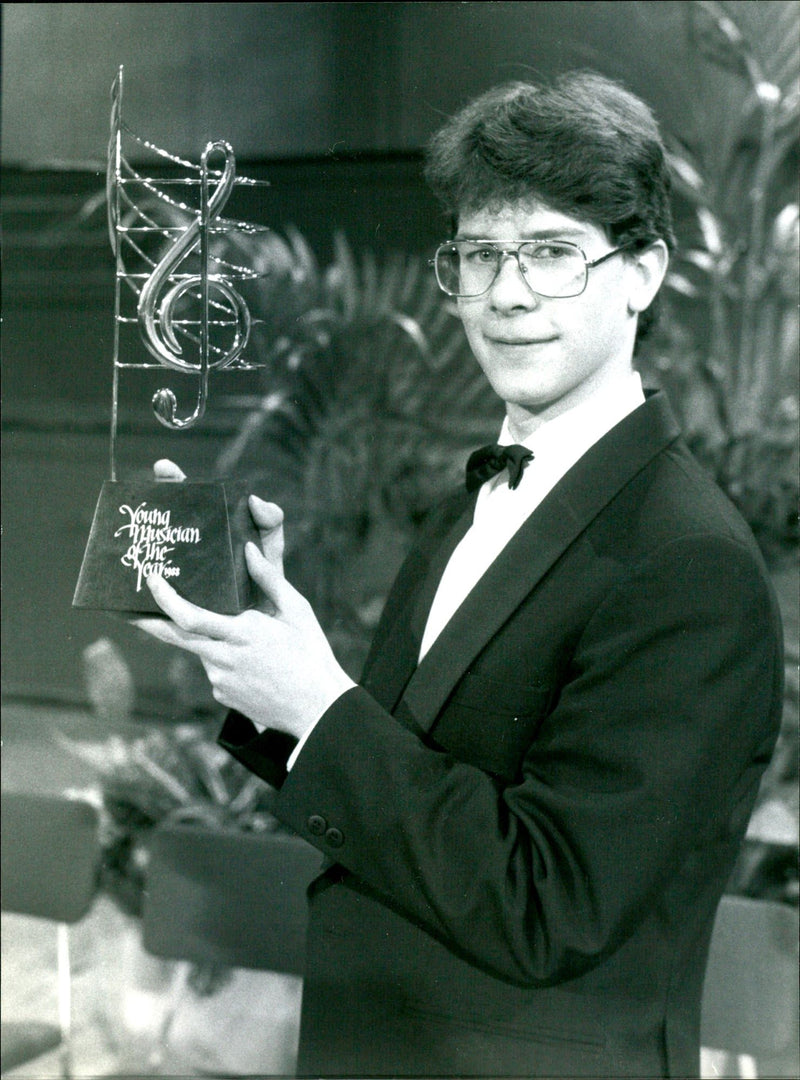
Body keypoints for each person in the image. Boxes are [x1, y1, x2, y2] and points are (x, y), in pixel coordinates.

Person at [136, 72, 784, 1078]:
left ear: (642, 272)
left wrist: (320, 708)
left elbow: (548, 903)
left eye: (553, 253)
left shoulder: (685, 558)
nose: (506, 292)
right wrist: (251, 648)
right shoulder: (475, 496)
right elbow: (414, 759)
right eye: (480, 255)